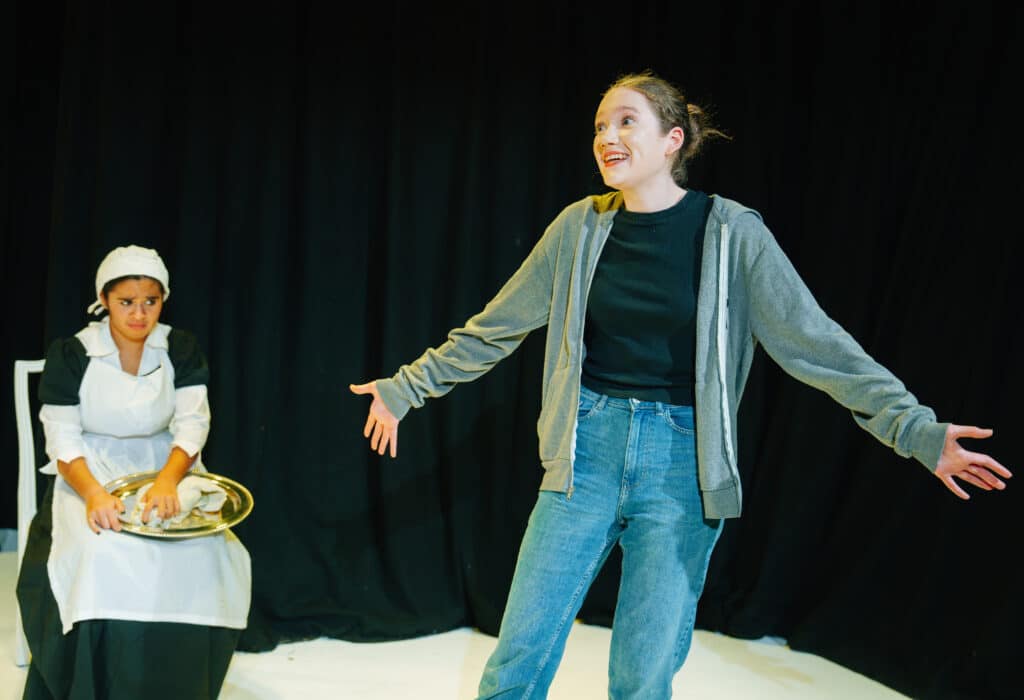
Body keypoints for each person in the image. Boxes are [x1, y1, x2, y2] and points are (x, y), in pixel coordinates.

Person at [350, 71, 1011, 698]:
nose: (607, 136)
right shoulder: (579, 227)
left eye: (625, 121)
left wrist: (916, 431)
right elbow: (495, 327)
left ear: (672, 140)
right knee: (518, 654)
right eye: (599, 125)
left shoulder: (733, 233)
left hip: (682, 467)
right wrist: (407, 387)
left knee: (642, 675)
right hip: (584, 456)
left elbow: (818, 344)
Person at [16, 245, 252, 700]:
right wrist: (93, 495)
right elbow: (62, 437)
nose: (140, 314)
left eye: (151, 301)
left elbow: (193, 423)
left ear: (164, 300)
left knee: (209, 553)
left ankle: (176, 685)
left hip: (167, 463)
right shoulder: (73, 354)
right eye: (127, 302)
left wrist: (167, 480)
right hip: (89, 469)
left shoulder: (179, 348)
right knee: (99, 553)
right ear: (104, 300)